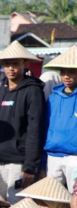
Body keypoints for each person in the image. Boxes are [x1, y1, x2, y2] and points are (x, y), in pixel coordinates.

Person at [0, 41, 45, 202]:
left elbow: (35, 129)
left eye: (15, 64)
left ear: (24, 64)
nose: (11, 68)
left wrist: (30, 167)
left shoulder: (33, 91)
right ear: (2, 67)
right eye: (7, 64)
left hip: (18, 164)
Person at [43, 45, 77, 194]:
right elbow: (45, 125)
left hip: (74, 158)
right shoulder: (52, 97)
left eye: (71, 72)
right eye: (63, 72)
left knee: (75, 199)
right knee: (50, 198)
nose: (67, 76)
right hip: (52, 155)